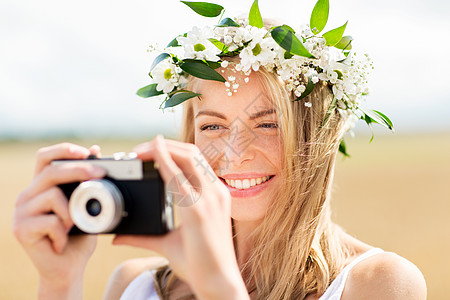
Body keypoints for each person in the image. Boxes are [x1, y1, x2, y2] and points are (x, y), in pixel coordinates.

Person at [13, 1, 427, 299]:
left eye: (268, 124)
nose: (233, 154)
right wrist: (58, 283)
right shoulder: (134, 284)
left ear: (318, 137)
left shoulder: (378, 284)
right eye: (212, 125)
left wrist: (219, 288)